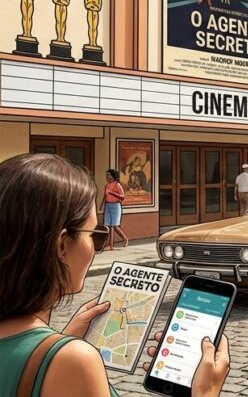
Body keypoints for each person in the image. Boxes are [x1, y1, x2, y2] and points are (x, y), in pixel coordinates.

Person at [0, 154, 231, 397]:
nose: (95, 250)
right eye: (95, 236)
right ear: (62, 246)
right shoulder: (74, 361)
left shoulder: (59, 356)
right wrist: (206, 393)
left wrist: (56, 342)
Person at [102, 169, 128, 250]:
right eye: (107, 175)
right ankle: (108, 244)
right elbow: (105, 196)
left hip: (115, 206)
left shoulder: (117, 185)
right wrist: (102, 204)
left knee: (114, 226)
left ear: (113, 176)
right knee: (107, 225)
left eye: (109, 175)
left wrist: (112, 193)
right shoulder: (106, 185)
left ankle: (112, 245)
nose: (107, 177)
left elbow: (122, 196)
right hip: (107, 206)